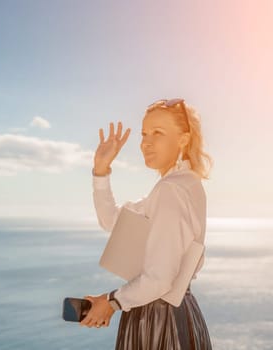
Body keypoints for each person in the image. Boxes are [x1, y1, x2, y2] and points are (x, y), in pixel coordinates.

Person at [81, 98, 213, 349]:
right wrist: (101, 170)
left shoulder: (170, 190)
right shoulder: (185, 184)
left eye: (158, 133)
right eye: (144, 134)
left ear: (183, 140)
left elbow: (160, 279)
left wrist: (110, 302)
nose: (146, 143)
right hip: (179, 314)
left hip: (158, 322)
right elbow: (112, 221)